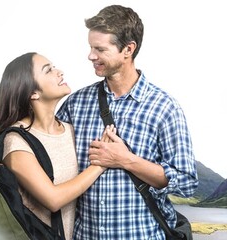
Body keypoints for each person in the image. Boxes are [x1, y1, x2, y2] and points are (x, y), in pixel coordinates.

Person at [56, 4, 199, 239]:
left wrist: (126, 160)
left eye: (100, 49)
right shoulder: (76, 103)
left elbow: (186, 182)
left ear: (128, 49)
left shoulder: (164, 107)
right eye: (90, 47)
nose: (91, 56)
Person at [0, 52, 112, 240]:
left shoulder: (71, 131)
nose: (59, 72)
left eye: (54, 67)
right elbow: (53, 199)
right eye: (48, 70)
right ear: (33, 93)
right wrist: (100, 165)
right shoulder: (16, 141)